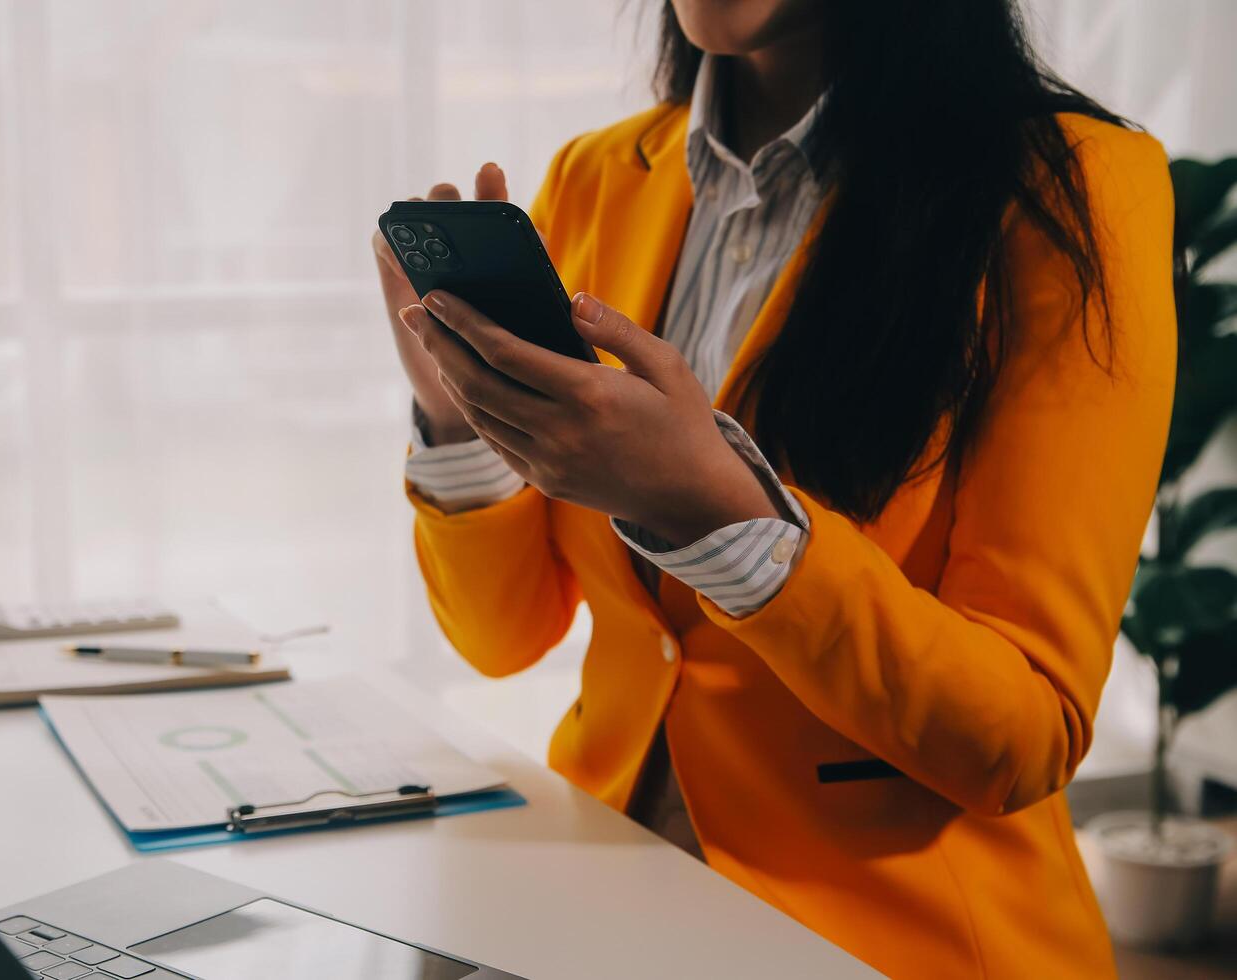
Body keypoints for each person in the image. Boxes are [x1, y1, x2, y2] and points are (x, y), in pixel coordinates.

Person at [370, 1, 1176, 977]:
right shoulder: (599, 175)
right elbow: (504, 637)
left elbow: (1024, 735)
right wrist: (460, 419)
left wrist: (718, 511)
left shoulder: (1066, 186)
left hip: (893, 941)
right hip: (607, 901)